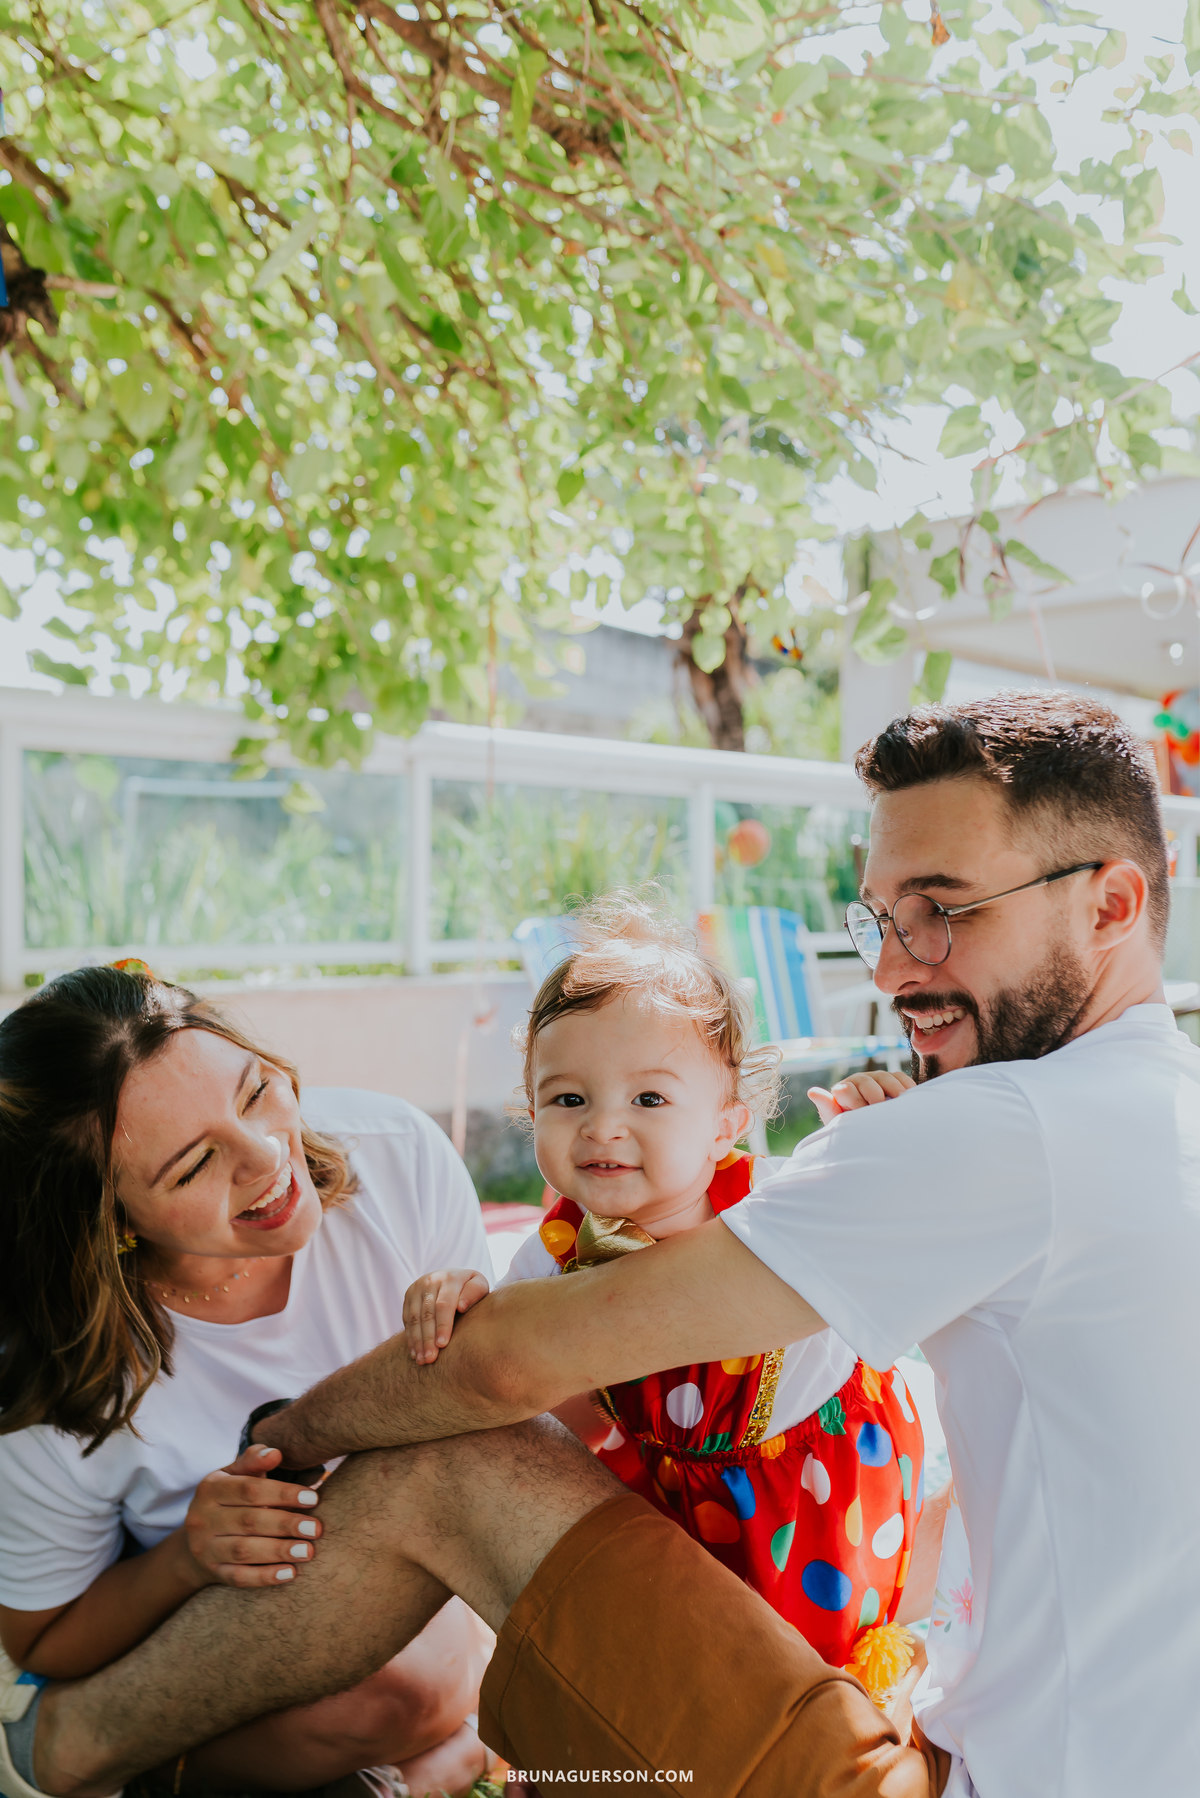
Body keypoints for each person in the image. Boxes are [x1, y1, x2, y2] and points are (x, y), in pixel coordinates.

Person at [7, 692, 1200, 1798]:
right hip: (1008, 1735)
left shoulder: (1006, 1125)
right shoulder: (1158, 1105)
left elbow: (501, 1368)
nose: (893, 969)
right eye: (881, 919)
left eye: (943, 911)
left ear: (1109, 904)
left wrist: (281, 1438)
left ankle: (76, 1743)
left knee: (446, 1458)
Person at [404, 893, 932, 1701]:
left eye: (648, 1100)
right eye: (568, 1099)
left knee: (785, 1698)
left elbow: (882, 1231)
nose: (603, 1128)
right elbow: (506, 1375)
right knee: (673, 1678)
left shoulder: (775, 1213)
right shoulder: (558, 1248)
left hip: (804, 1501)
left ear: (726, 1126)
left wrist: (882, 1136)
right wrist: (464, 1299)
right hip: (668, 1498)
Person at [0, 966, 498, 1796]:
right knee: (399, 1696)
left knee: (436, 1679)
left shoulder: (397, 1158)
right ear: (108, 1219)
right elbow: (43, 1642)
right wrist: (189, 1557)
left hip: (429, 1574)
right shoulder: (53, 1374)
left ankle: (441, 1763)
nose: (269, 1155)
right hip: (205, 1650)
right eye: (194, 1165)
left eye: (257, 1090)